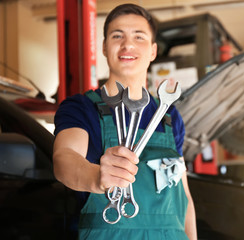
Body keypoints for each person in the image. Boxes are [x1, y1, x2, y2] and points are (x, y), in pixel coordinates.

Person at [53, 3, 197, 239]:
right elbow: (64, 159)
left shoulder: (169, 117)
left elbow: (185, 197)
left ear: (152, 51)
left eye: (138, 37)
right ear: (104, 47)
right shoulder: (82, 108)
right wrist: (96, 177)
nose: (128, 44)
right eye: (117, 35)